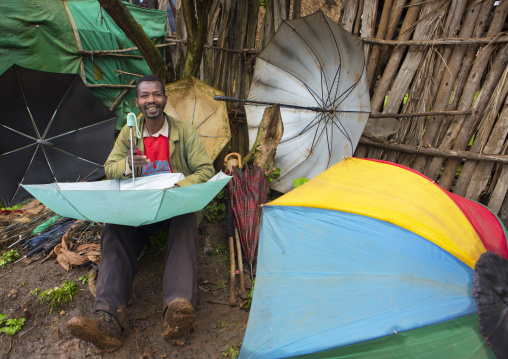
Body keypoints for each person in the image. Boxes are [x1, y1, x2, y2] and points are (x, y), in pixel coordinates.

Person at [66, 75, 215, 352]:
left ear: (165, 100)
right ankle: (107, 320)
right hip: (139, 206)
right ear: (137, 102)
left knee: (185, 223)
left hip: (172, 204)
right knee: (114, 230)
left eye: (156, 95)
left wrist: (177, 186)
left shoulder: (184, 132)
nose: (151, 101)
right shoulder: (129, 132)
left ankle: (178, 310)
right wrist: (126, 163)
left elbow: (205, 170)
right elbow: (109, 168)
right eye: (145, 96)